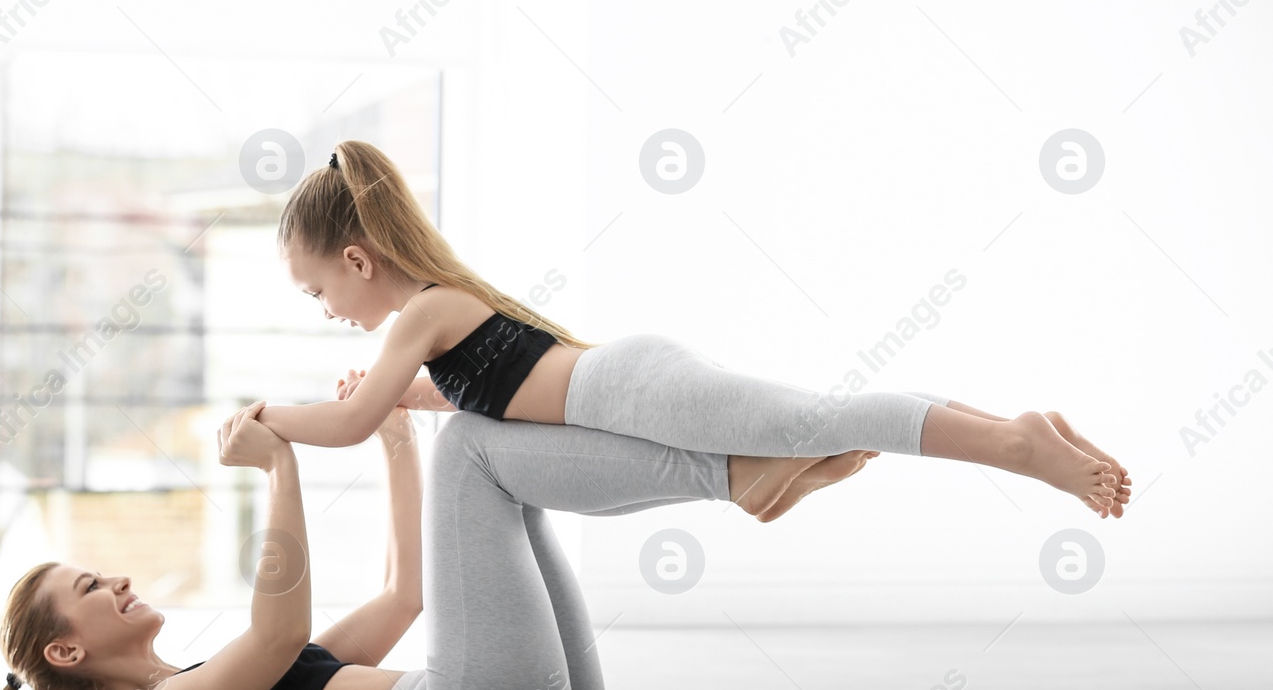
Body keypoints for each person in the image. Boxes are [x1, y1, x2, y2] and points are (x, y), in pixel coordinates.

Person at [0, 388, 870, 690]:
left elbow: (405, 593)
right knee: (476, 448)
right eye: (93, 586)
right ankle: (732, 477)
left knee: (482, 456)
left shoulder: (216, 679)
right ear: (68, 651)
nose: (120, 579)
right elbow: (280, 623)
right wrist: (279, 467)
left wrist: (396, 439)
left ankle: (737, 473)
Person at [255, 140, 1132, 521]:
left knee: (826, 418)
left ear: (359, 260)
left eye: (317, 289)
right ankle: (777, 479)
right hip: (624, 392)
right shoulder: (433, 323)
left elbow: (349, 425)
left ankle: (1014, 445)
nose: (327, 310)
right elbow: (477, 390)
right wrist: (405, 394)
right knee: (819, 423)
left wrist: (266, 417)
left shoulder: (423, 311)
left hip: (633, 389)